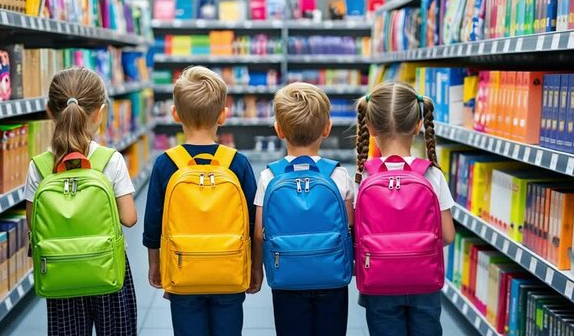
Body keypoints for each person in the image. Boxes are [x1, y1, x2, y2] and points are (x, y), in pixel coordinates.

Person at [143, 66, 257, 336]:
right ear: (223, 115)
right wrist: (253, 267)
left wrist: (156, 265)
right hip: (229, 271)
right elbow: (253, 221)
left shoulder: (166, 163)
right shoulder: (237, 163)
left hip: (183, 272)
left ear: (175, 114)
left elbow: (153, 222)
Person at [24, 67, 138, 336]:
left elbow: (33, 223)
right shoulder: (111, 160)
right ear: (100, 112)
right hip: (107, 269)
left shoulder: (39, 167)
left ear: (50, 112)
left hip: (60, 273)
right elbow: (129, 218)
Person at [250, 82, 355, 336]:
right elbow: (350, 228)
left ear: (279, 131)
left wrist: (255, 270)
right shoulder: (338, 175)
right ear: (327, 128)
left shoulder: (269, 177)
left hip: (287, 276)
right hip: (332, 276)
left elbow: (258, 233)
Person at [355, 81, 456, 336]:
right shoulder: (432, 175)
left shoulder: (364, 177)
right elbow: (447, 235)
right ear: (419, 125)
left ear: (370, 127)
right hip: (424, 283)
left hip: (379, 282)